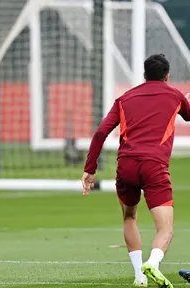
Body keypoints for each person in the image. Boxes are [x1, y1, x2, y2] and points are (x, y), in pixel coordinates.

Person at [81, 54, 190, 288]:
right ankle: (153, 263)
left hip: (126, 166)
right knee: (165, 228)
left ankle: (139, 277)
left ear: (143, 75)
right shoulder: (175, 96)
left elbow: (101, 133)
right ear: (167, 76)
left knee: (129, 217)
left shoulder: (124, 98)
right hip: (154, 166)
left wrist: (90, 169)